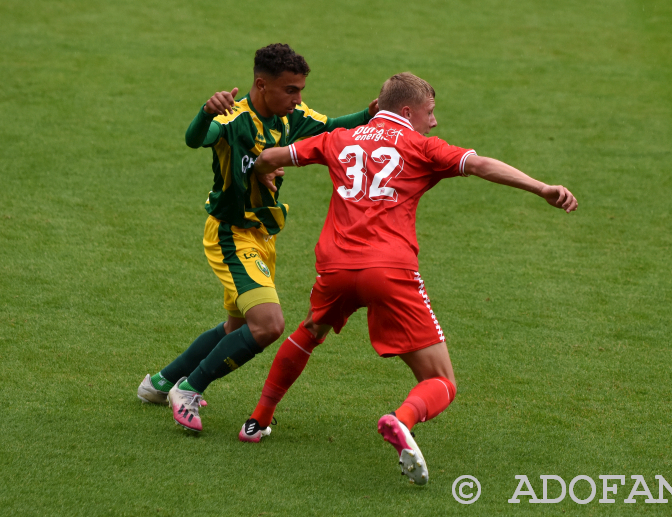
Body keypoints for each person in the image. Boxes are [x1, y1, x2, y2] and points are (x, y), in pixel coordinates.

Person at [239, 72, 577, 485]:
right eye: (430, 112)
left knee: (310, 331)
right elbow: (482, 165)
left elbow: (271, 157)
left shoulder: (340, 137)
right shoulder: (422, 146)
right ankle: (402, 420)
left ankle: (257, 420)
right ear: (406, 111)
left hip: (336, 268)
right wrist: (541, 187)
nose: (434, 122)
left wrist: (261, 174)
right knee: (441, 381)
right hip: (389, 270)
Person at [136, 43, 379, 433]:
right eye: (291, 90)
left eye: (300, 90)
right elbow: (195, 138)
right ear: (261, 85)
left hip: (263, 237)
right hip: (232, 236)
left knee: (235, 329)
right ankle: (190, 387)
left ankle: (160, 383)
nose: (298, 98)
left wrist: (371, 113)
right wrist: (205, 112)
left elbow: (333, 126)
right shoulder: (233, 118)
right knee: (267, 324)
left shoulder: (291, 116)